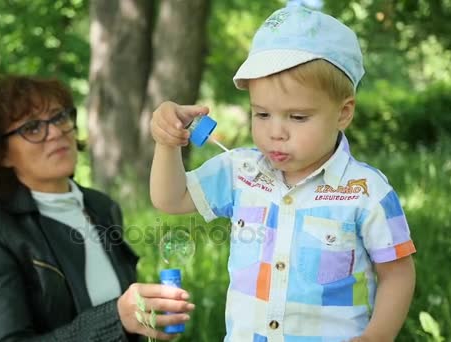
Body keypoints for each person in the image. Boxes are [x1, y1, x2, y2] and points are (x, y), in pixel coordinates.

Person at [149, 3, 415, 342]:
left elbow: (398, 274)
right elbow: (170, 198)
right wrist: (166, 143)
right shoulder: (240, 172)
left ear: (343, 113)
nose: (276, 132)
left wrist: (376, 337)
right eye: (262, 114)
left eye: (298, 117)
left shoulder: (366, 192)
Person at [0, 74, 194, 341]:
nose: (56, 132)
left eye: (59, 118)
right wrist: (116, 319)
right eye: (33, 127)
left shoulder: (101, 207)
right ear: (0, 152)